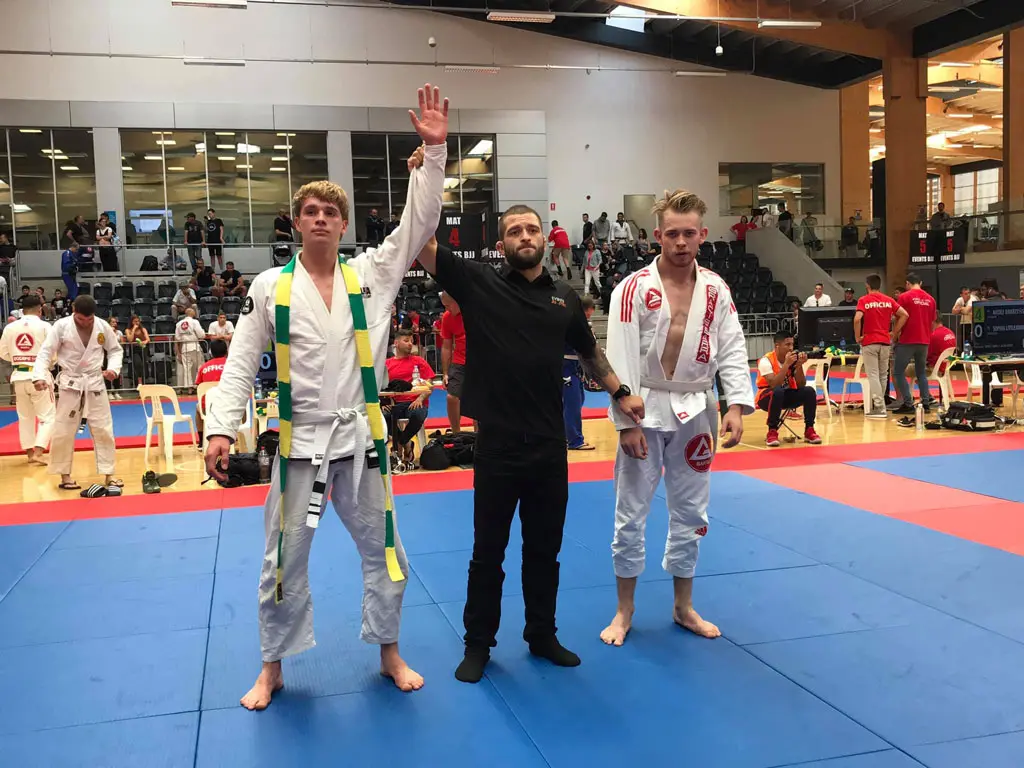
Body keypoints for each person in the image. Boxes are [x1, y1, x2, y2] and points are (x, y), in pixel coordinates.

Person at [203, 82, 449, 711]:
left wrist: (437, 152)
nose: (320, 219)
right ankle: (272, 667)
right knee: (281, 560)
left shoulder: (371, 275)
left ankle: (389, 650)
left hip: (362, 440)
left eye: (330, 213)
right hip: (297, 442)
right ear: (298, 221)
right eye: (309, 211)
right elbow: (237, 362)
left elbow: (417, 221)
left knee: (386, 552)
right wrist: (220, 428)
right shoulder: (269, 287)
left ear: (342, 224)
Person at [416, 206, 645, 685]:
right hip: (497, 446)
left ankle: (541, 635)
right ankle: (478, 644)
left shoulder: (563, 296)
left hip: (547, 446)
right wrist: (427, 176)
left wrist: (621, 392)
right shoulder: (478, 283)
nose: (525, 236)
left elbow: (590, 351)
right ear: (502, 244)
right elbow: (421, 245)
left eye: (532, 229)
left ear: (545, 238)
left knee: (545, 550)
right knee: (488, 553)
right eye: (514, 231)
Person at [598, 190, 753, 647]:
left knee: (691, 511)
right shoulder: (632, 288)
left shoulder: (716, 288)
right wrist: (625, 421)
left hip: (696, 408)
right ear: (657, 236)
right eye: (672, 233)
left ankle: (683, 606)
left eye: (689, 233)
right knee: (631, 512)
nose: (681, 241)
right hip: (644, 406)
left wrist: (736, 404)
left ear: (702, 234)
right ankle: (624, 611)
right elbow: (619, 354)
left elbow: (732, 345)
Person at [33, 294, 123, 495]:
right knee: (64, 431)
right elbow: (46, 353)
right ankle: (64, 474)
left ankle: (109, 474)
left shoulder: (101, 326)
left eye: (89, 319)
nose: (86, 322)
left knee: (104, 429)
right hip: (71, 384)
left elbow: (115, 350)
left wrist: (113, 369)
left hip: (95, 382)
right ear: (74, 312)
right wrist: (39, 375)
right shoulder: (61, 326)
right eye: (82, 319)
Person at [0, 294, 56, 464]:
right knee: (48, 416)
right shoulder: (45, 326)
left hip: (19, 375)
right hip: (39, 376)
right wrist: (49, 363)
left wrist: (19, 358)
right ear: (40, 309)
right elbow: (54, 353)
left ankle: (30, 453)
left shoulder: (10, 328)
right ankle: (39, 451)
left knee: (25, 417)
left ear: (22, 310)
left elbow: (3, 352)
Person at [854, 274, 908, 419]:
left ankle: (879, 407)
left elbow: (857, 318)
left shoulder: (864, 300)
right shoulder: (889, 300)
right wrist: (893, 332)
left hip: (870, 341)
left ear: (867, 286)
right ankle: (881, 405)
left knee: (873, 374)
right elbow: (904, 315)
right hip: (885, 342)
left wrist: (857, 336)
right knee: (883, 375)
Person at [756, 330, 821, 448]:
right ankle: (772, 431)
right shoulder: (766, 360)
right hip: (766, 396)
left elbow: (801, 384)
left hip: (785, 394)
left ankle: (809, 429)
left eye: (792, 344)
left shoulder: (793, 360)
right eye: (787, 345)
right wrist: (786, 365)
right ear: (777, 346)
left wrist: (799, 365)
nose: (791, 348)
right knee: (778, 391)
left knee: (809, 391)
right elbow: (774, 384)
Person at [384, 328, 434, 466]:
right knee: (383, 415)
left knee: (417, 413)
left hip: (416, 402)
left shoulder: (418, 361)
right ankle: (406, 443)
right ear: (396, 343)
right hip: (395, 403)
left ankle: (399, 444)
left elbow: (429, 384)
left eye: (411, 341)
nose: (410, 344)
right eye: (406, 341)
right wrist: (385, 401)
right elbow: (382, 386)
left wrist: (420, 398)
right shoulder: (387, 364)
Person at [892, 273, 937, 414]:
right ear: (920, 283)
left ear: (907, 284)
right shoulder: (931, 299)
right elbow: (932, 321)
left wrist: (894, 334)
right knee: (921, 373)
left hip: (908, 339)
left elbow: (898, 317)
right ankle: (926, 402)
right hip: (924, 340)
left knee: (898, 372)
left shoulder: (904, 297)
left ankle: (908, 403)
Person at [563, 295, 597, 451]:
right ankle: (575, 440)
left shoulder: (578, 322)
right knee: (572, 403)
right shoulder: (573, 322)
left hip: (574, 365)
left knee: (578, 399)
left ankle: (566, 435)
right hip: (566, 366)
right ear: (589, 310)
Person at [194, 338, 229, 445]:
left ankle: (201, 440)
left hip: (208, 408)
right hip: (228, 405)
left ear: (211, 353)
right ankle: (237, 433)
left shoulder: (203, 367)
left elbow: (199, 386)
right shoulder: (231, 365)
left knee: (197, 407)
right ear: (226, 351)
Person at [175, 308, 205, 390]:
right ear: (192, 313)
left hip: (184, 347)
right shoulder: (194, 322)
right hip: (194, 346)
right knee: (198, 366)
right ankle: (198, 385)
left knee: (187, 368)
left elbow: (177, 338)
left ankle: (189, 388)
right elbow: (201, 335)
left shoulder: (179, 324)